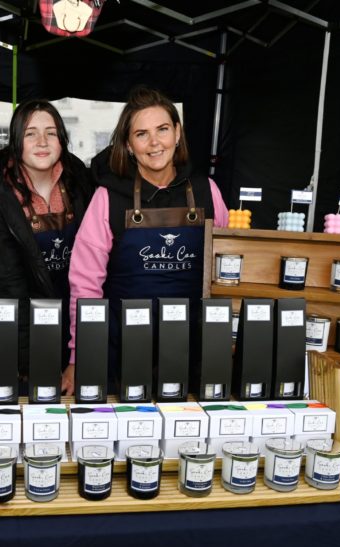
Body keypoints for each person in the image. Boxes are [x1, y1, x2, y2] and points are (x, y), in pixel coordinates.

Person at [62, 86, 229, 395]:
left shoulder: (208, 191)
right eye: (142, 134)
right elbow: (85, 286)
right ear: (128, 144)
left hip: (193, 350)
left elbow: (225, 276)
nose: (154, 143)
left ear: (177, 133)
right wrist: (79, 355)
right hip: (121, 352)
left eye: (163, 129)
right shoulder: (107, 198)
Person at [0, 99, 93, 395]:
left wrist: (81, 354)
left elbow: (92, 274)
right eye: (30, 133)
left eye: (51, 132)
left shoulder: (81, 186)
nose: (42, 142)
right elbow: (7, 290)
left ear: (62, 140)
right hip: (23, 339)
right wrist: (33, 366)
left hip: (75, 328)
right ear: (15, 142)